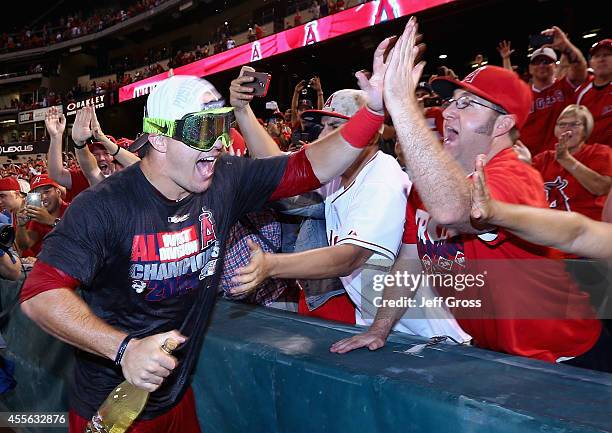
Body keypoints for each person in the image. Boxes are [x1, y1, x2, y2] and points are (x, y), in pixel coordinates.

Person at [19, 29, 392, 430]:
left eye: (220, 126)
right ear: (160, 140)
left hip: (177, 395)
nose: (217, 143)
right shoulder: (104, 206)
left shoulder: (224, 179)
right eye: (202, 130)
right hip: (112, 406)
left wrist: (370, 114)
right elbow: (39, 294)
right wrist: (123, 349)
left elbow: (307, 167)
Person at [377, 18, 601, 368]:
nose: (448, 111)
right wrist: (380, 328)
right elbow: (408, 261)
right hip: (499, 357)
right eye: (451, 102)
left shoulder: (515, 177)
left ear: (503, 124)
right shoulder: (429, 185)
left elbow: (454, 210)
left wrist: (402, 103)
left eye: (466, 105)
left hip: (565, 359)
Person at [532, 104, 612, 221]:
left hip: (588, 228)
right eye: (562, 124)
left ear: (586, 130)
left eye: (574, 124)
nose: (567, 129)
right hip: (549, 228)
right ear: (555, 130)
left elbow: (601, 188)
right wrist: (523, 165)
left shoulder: (600, 152)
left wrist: (566, 160)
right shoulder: (543, 159)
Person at [519, 26, 587, 156]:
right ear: (530, 69)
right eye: (537, 62)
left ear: (555, 66)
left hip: (565, 158)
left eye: (547, 61)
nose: (542, 65)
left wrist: (565, 46)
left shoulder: (565, 86)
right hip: (532, 161)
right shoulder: (522, 96)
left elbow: (579, 68)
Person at [15, 175, 68, 258]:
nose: (43, 197)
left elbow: (81, 237)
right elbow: (24, 246)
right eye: (38, 194)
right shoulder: (38, 216)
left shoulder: (72, 209)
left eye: (46, 192)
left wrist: (51, 221)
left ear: (58, 192)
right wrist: (21, 226)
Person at [575, 38, 611, 146]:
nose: (601, 59)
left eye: (607, 55)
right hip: (589, 157)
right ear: (591, 63)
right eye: (597, 56)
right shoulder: (581, 92)